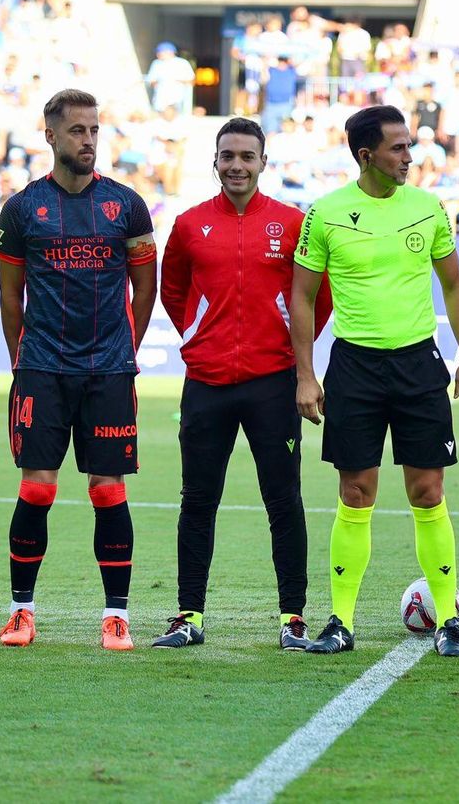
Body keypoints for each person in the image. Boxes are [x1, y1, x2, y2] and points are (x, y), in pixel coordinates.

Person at [289, 104, 459, 657]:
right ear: (366, 155)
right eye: (398, 148)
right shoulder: (325, 213)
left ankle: (449, 620)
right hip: (354, 367)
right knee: (356, 492)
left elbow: (453, 284)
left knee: (428, 491)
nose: (409, 157)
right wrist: (306, 374)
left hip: (419, 364)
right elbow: (301, 296)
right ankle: (341, 622)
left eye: (409, 146)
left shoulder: (428, 208)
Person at [153, 117, 331, 651]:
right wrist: (197, 334)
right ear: (215, 162)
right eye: (227, 156)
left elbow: (315, 299)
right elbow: (173, 288)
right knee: (197, 500)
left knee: (284, 500)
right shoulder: (188, 224)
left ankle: (292, 618)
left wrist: (290, 351)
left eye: (246, 156)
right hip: (206, 382)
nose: (236, 165)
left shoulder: (293, 223)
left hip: (272, 382)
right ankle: (189, 615)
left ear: (262, 162)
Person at [0, 89, 158, 650]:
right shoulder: (21, 211)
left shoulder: (126, 206)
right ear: (51, 136)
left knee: (108, 491)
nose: (88, 140)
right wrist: (25, 362)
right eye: (78, 131)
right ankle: (21, 612)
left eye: (94, 130)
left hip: (109, 372)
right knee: (37, 489)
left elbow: (145, 288)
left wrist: (122, 348)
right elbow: (10, 302)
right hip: (41, 369)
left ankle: (117, 616)